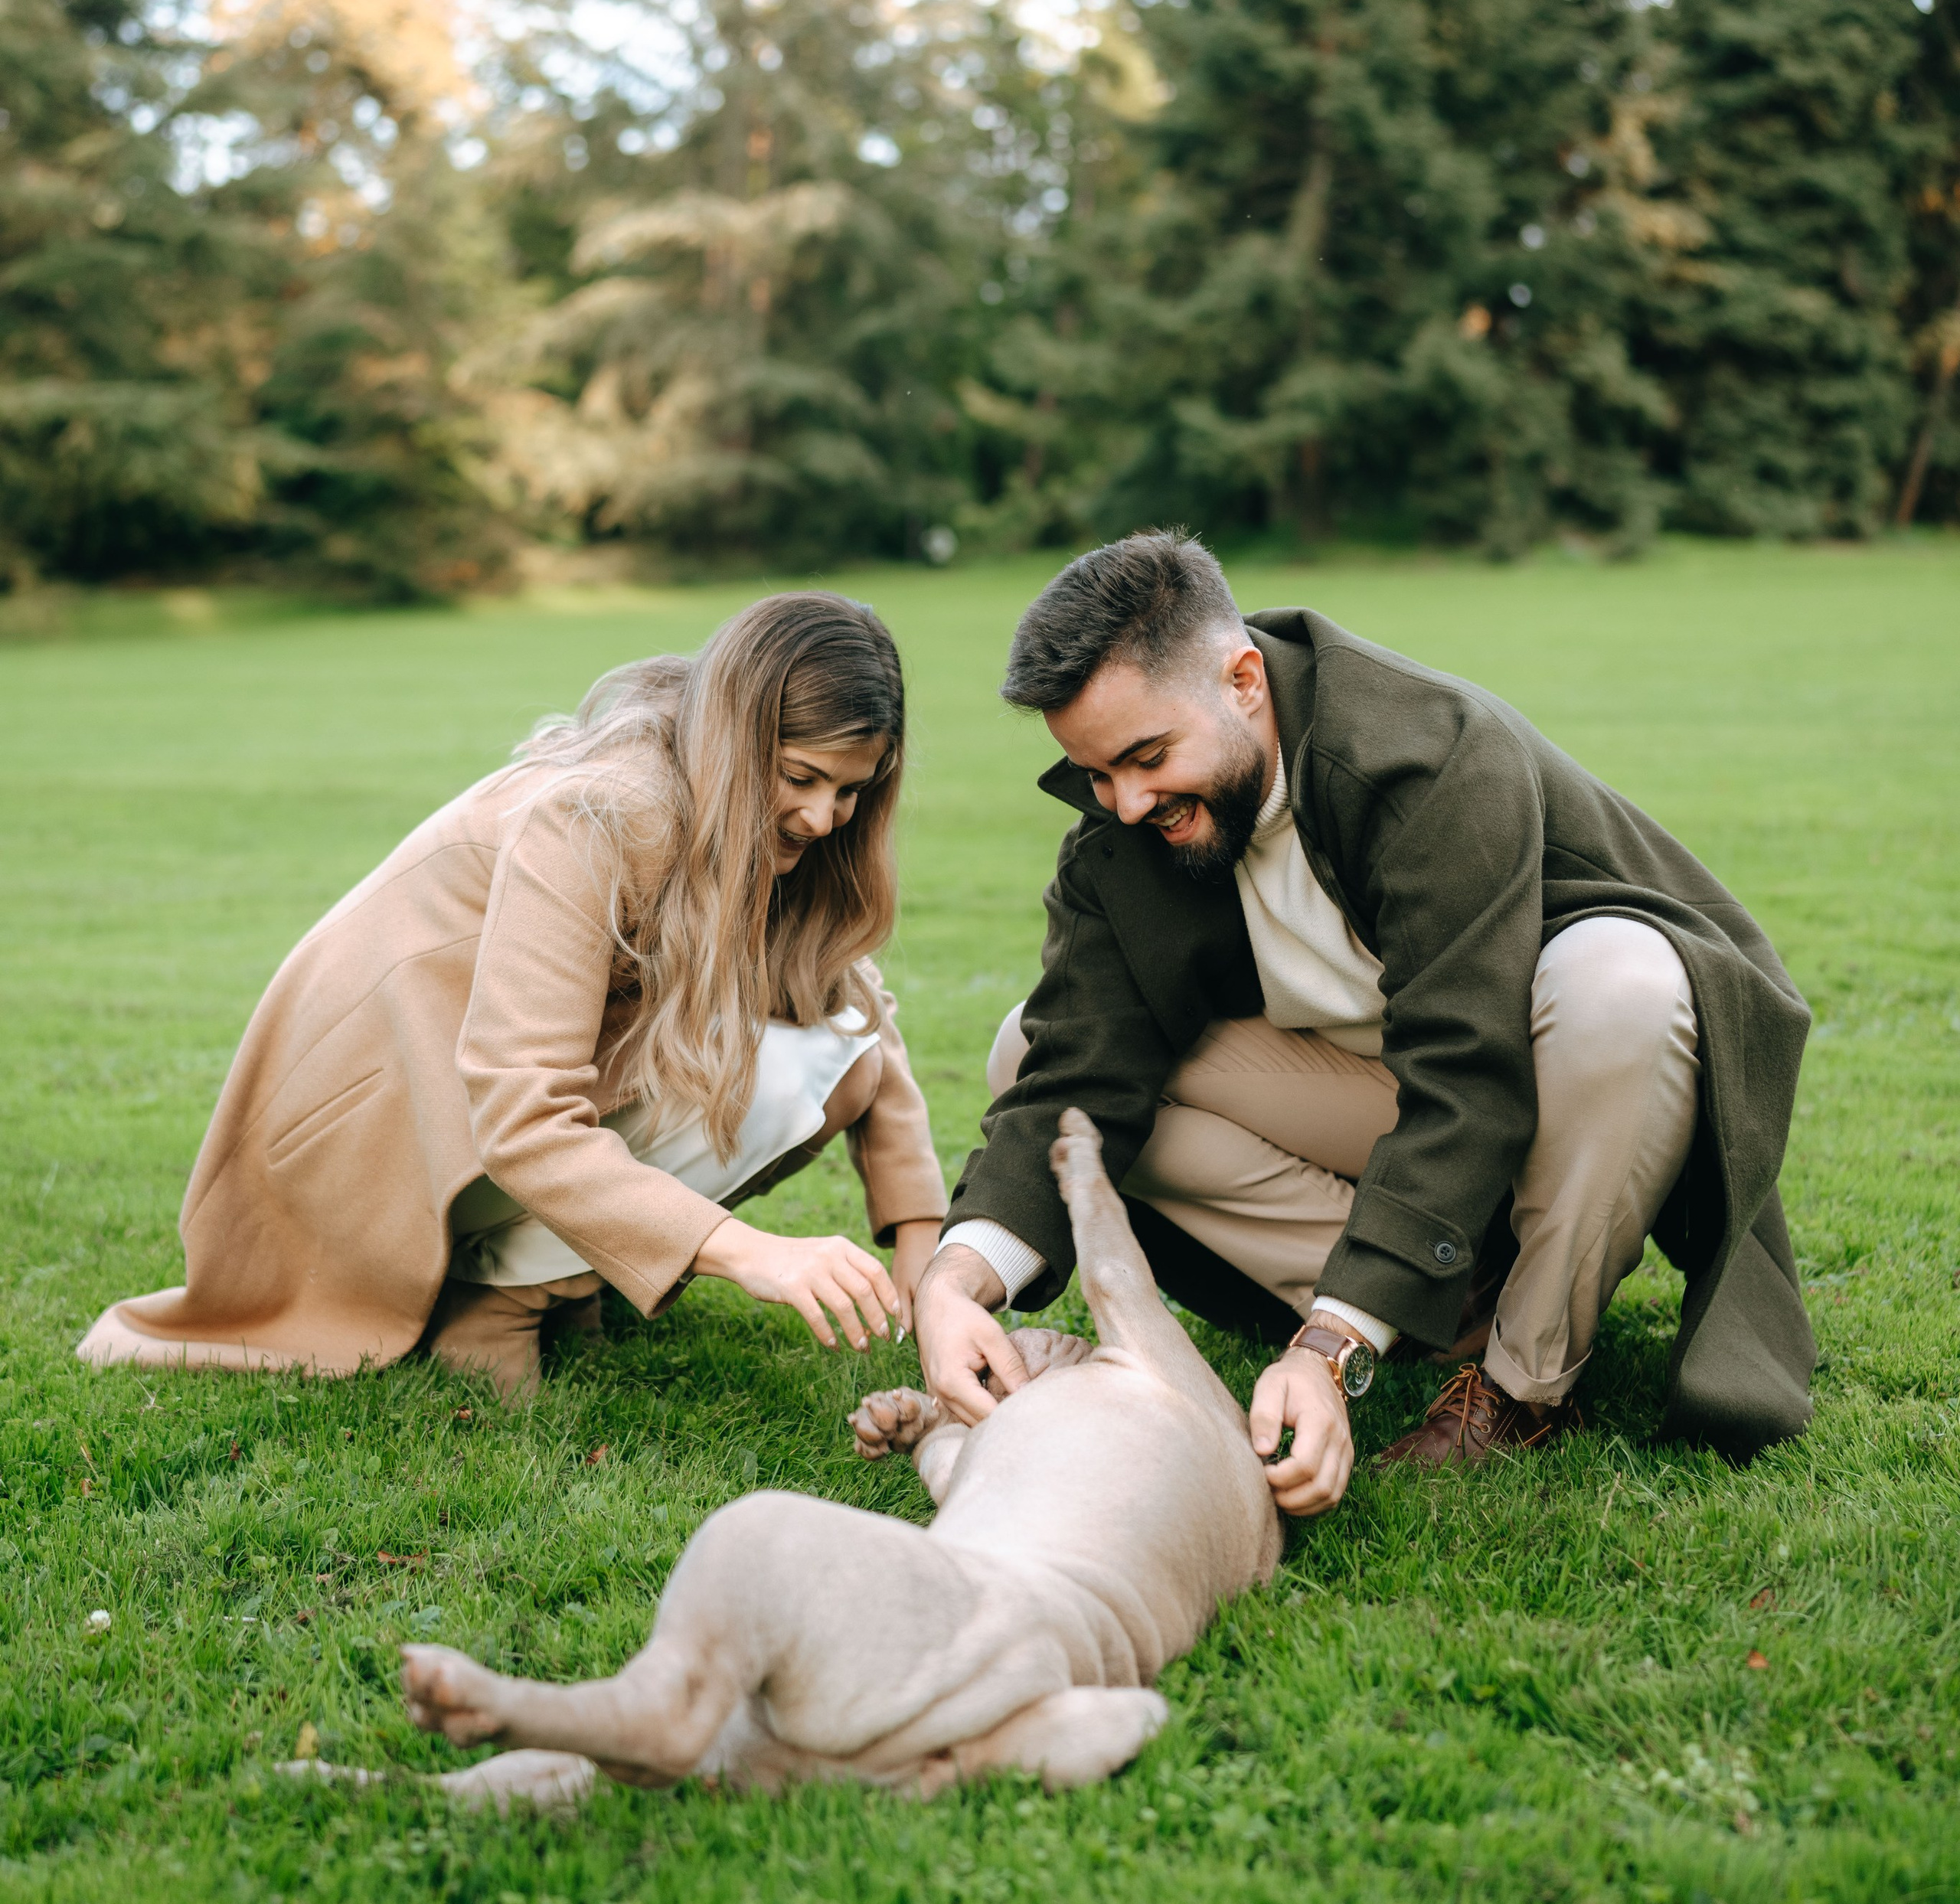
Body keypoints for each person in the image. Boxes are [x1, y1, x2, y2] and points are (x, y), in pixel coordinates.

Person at [913, 532, 1815, 1516]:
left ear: (1244, 679)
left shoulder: (1424, 752)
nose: (1126, 802)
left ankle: (1522, 1383)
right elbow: (1073, 1069)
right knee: (1021, 1048)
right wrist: (955, 1280)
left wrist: (1326, 1349)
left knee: (1622, 983)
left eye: (1147, 757)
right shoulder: (1127, 829)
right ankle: (1444, 1303)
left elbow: (1468, 1064)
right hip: (1385, 1099)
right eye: (1095, 773)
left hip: (1569, 1088)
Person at [78, 594, 949, 1400]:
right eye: (800, 777)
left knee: (831, 1064)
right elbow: (525, 1118)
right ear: (735, 732)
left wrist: (923, 1244)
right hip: (363, 1145)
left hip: (467, 1112)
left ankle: (557, 1275)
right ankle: (497, 1301)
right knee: (768, 1081)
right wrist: (748, 1253)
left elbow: (852, 1010)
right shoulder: (604, 817)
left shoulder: (747, 814)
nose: (826, 817)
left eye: (850, 790)